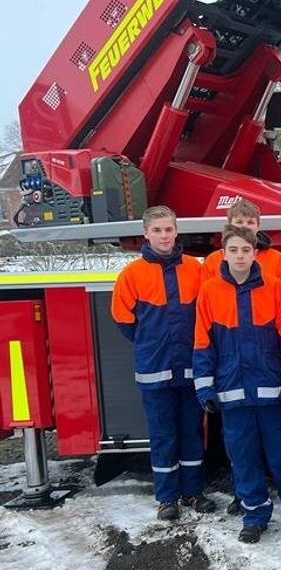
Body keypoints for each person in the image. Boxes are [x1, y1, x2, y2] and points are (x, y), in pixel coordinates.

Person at [193, 225, 281, 544]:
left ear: (255, 253)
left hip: (271, 390)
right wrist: (205, 387)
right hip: (232, 391)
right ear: (223, 253)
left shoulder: (275, 287)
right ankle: (254, 515)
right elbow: (202, 342)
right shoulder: (210, 290)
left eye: (245, 250)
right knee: (244, 457)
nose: (240, 256)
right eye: (233, 250)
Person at [111, 206, 216, 521]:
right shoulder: (132, 274)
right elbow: (123, 320)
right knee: (162, 435)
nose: (164, 236)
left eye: (168, 229)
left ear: (176, 231)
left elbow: (206, 314)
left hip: (190, 368)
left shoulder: (195, 270)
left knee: (192, 433)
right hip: (154, 369)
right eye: (157, 230)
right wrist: (151, 343)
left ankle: (194, 493)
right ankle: (167, 497)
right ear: (146, 234)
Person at [199, 198, 281, 289]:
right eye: (239, 222)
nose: (245, 226)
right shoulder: (212, 260)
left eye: (250, 222)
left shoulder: (276, 259)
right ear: (230, 226)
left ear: (258, 227)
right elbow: (204, 299)